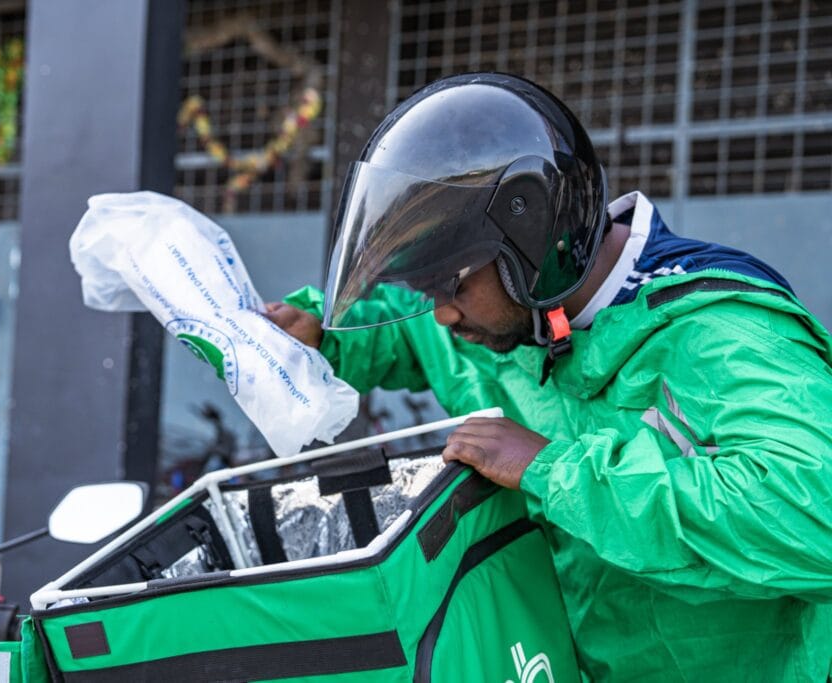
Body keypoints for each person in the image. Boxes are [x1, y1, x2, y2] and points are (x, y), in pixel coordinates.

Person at [265, 73, 832, 681]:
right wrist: (323, 339)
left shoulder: (722, 334)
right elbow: (417, 333)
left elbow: (813, 513)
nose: (443, 314)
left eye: (449, 284)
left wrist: (551, 469)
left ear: (533, 239)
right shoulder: (518, 317)